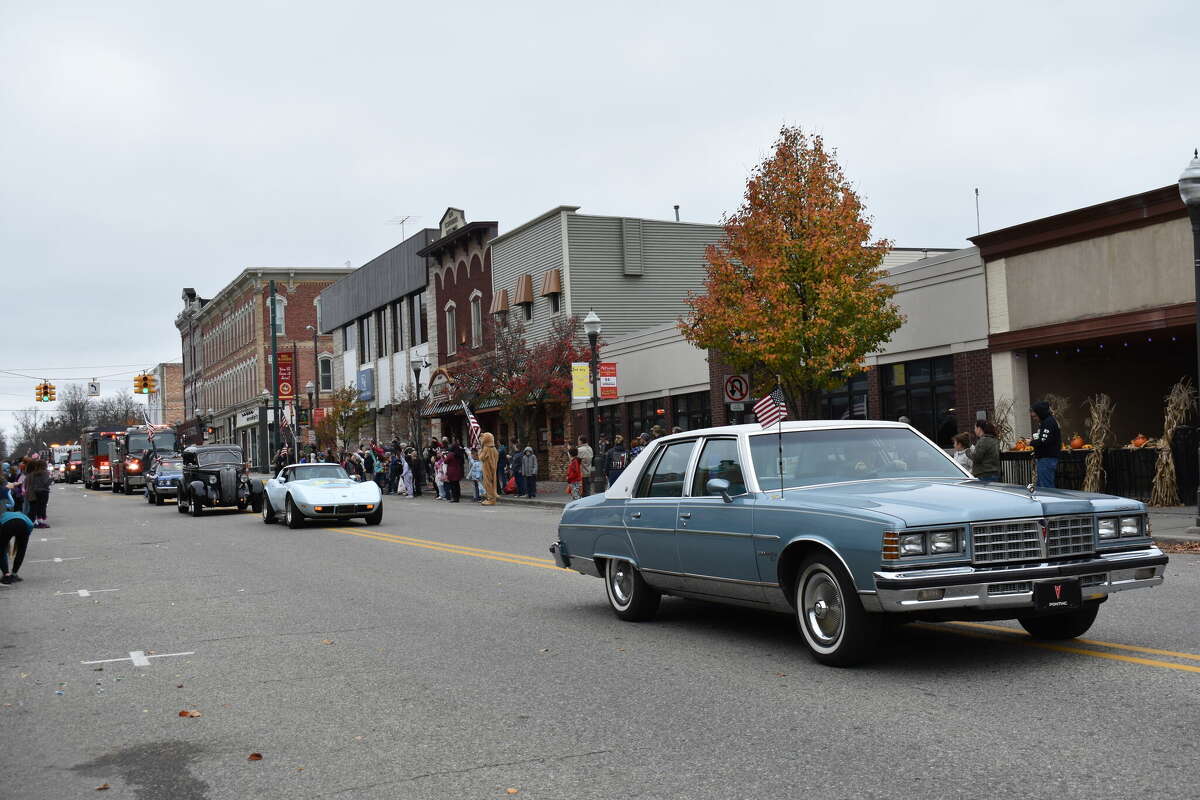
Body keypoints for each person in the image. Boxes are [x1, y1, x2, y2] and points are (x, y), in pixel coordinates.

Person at [0, 487, 32, 584]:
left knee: (1, 550)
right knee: (21, 550)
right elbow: (30, 525)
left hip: (6, 525)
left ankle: (6, 575)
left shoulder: (4, 515)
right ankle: (14, 573)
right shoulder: (24, 517)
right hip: (23, 525)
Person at [1029, 401, 1062, 488]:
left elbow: (1043, 441)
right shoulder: (1046, 422)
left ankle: (1049, 500)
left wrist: (1031, 442)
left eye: (1035, 416)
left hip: (1047, 459)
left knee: (1046, 486)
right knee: (1042, 485)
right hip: (1045, 459)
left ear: (1040, 413)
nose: (1034, 418)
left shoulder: (1048, 423)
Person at [23, 458, 52, 528]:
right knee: (42, 507)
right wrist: (51, 479)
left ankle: (33, 521)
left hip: (34, 492)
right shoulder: (45, 473)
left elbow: (27, 483)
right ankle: (40, 522)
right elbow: (46, 482)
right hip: (43, 491)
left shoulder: (33, 474)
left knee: (34, 508)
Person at [479, 432, 499, 505]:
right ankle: (491, 497)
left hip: (487, 468)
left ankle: (491, 499)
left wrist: (480, 450)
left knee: (488, 483)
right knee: (493, 482)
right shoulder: (494, 449)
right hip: (493, 468)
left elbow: (481, 457)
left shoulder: (486, 448)